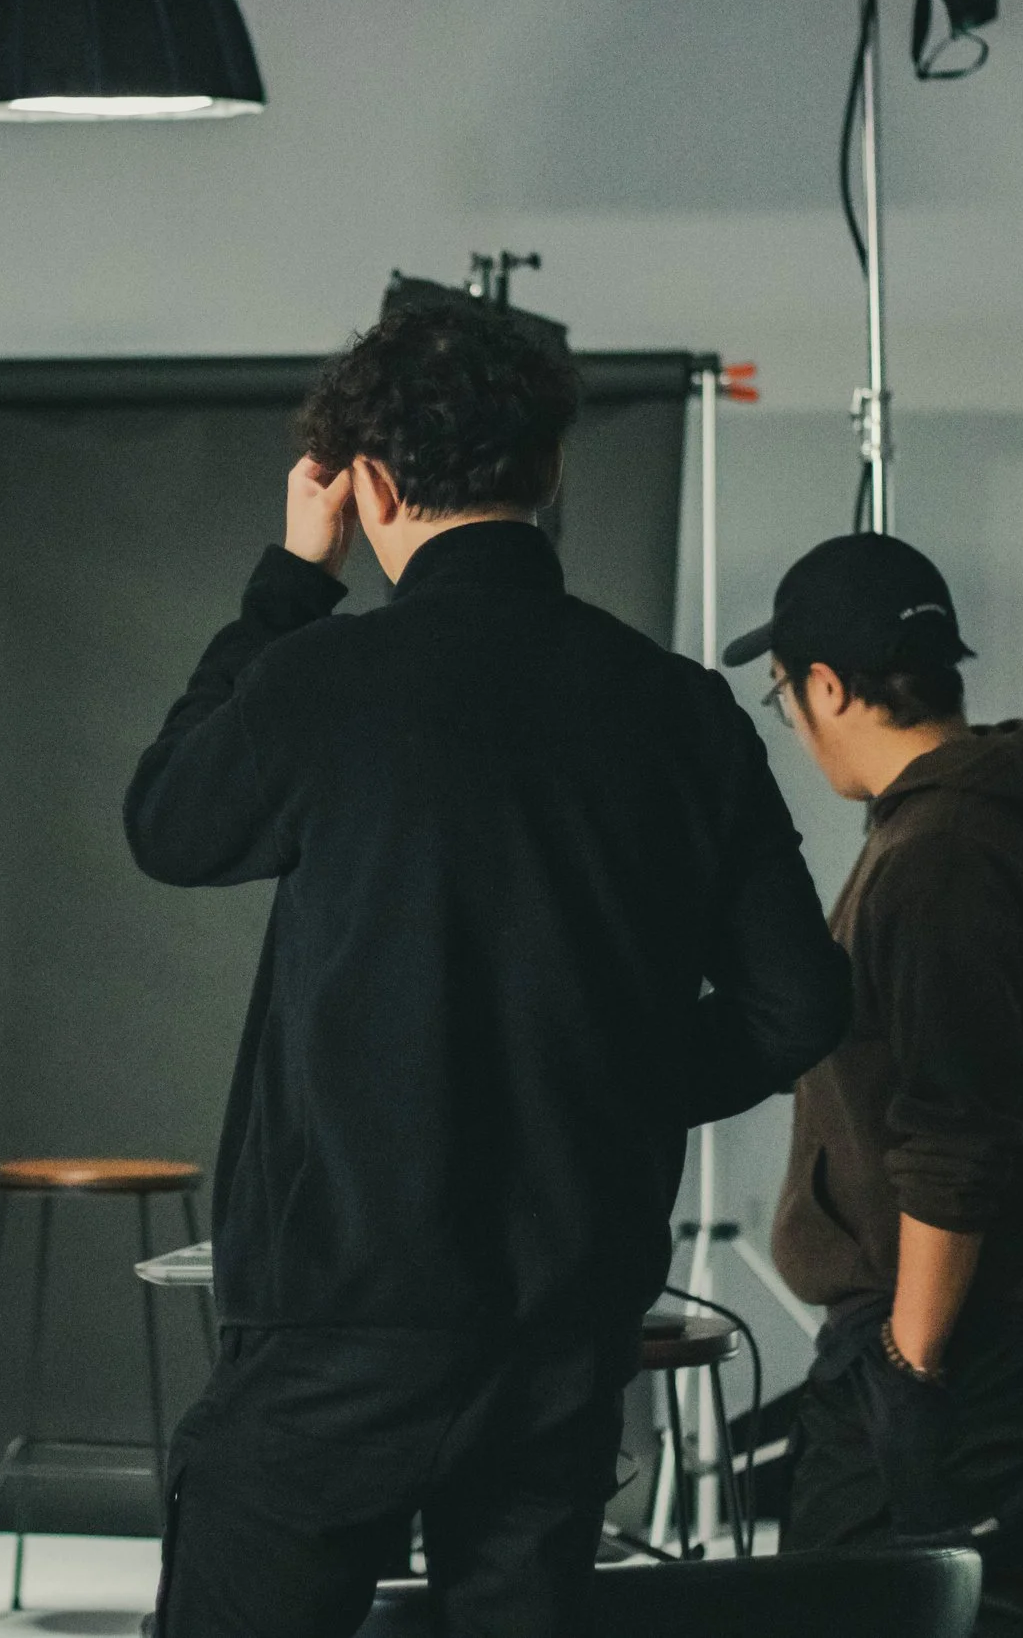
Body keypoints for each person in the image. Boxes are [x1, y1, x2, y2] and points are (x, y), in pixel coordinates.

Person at [123, 300, 851, 1638]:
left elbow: (167, 823)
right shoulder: (681, 708)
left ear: (370, 484)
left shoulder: (321, 677)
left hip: (342, 1321)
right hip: (568, 1318)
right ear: (550, 470)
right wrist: (614, 1082)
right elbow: (799, 1001)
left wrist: (290, 581)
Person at [722, 533, 1023, 1637]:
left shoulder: (943, 853)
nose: (794, 721)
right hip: (956, 1322)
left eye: (782, 694)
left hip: (947, 1331)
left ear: (828, 687)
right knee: (986, 1601)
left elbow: (956, 1132)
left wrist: (908, 1361)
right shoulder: (965, 827)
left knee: (871, 1611)